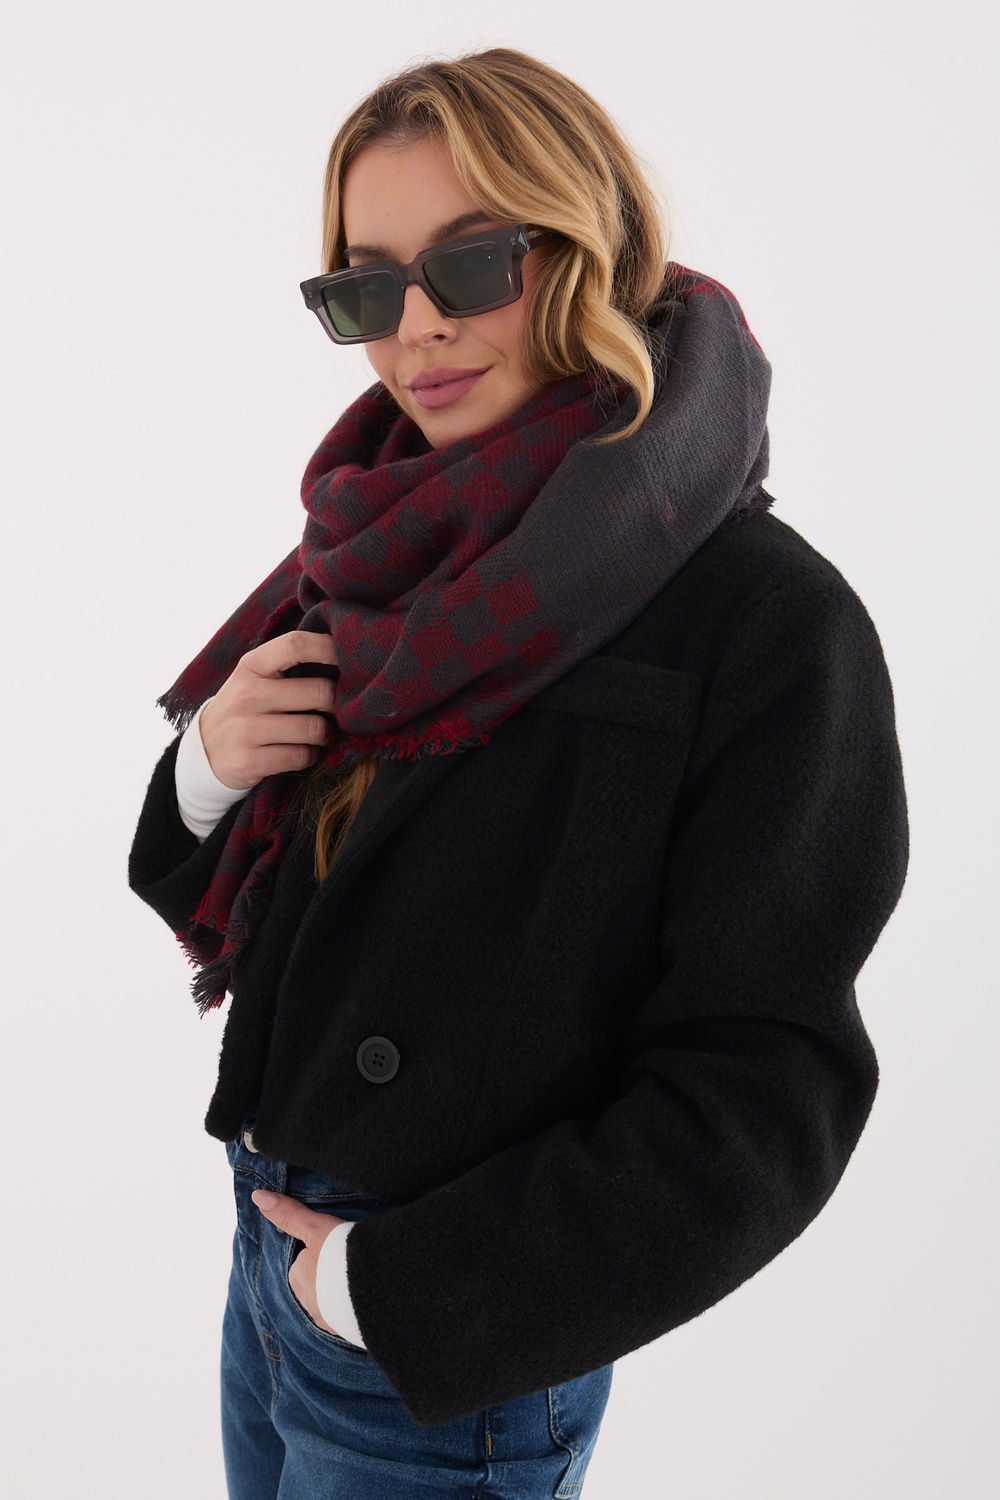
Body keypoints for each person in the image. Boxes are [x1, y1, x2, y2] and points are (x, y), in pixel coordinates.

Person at [127, 45, 910, 1500]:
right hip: (276, 1260)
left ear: (587, 249)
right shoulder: (377, 543)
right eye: (366, 289)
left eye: (471, 263)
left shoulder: (763, 619)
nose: (415, 328)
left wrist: (390, 1290)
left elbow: (765, 1087)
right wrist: (208, 776)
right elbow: (304, 907)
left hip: (438, 1332)